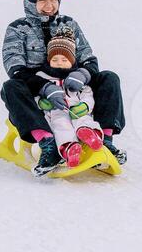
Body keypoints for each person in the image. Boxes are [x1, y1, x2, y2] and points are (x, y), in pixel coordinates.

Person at [1, 0, 126, 175]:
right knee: (10, 88)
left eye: (54, 0)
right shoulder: (17, 29)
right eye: (42, 0)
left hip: (73, 89)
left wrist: (84, 74)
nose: (49, 6)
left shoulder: (69, 24)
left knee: (109, 78)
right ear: (31, 2)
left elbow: (89, 58)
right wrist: (44, 87)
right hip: (39, 92)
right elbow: (15, 69)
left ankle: (106, 139)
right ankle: (48, 144)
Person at [30, 27, 104, 174]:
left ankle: (91, 135)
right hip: (57, 112)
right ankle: (70, 149)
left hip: (78, 109)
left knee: (84, 120)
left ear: (72, 61)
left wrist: (85, 106)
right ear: (48, 60)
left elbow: (87, 94)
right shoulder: (43, 77)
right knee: (61, 128)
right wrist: (41, 102)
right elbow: (35, 93)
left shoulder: (76, 77)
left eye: (64, 60)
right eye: (55, 59)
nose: (59, 63)